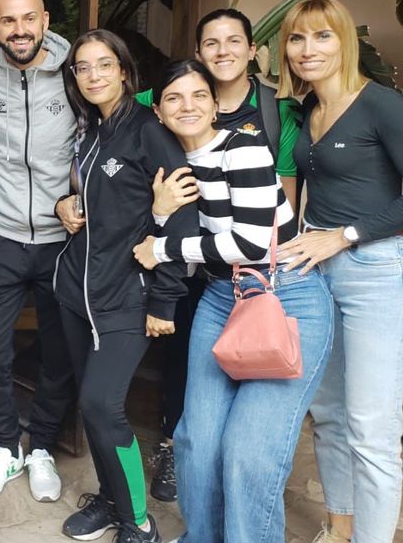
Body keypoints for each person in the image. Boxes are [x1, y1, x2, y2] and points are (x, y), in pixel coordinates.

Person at [132, 59, 332, 542]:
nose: (188, 106)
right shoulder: (170, 169)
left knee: (248, 451)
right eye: (174, 98)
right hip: (223, 298)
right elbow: (181, 247)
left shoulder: (242, 149)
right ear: (158, 111)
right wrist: (160, 214)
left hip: (286, 298)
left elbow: (245, 244)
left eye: (199, 95)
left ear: (214, 102)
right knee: (195, 440)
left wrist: (160, 247)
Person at [52, 29, 196, 543]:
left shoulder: (148, 130)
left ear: (123, 70)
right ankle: (112, 499)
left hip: (126, 296)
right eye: (82, 68)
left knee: (100, 404)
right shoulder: (91, 130)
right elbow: (88, 200)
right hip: (77, 292)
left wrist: (164, 298)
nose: (93, 76)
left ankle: (137, 519)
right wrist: (63, 206)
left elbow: (182, 216)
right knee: (92, 407)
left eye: (103, 65)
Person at [273, 0, 403, 543]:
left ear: (345, 40)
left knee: (372, 429)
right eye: (298, 39)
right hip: (317, 270)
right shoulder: (307, 111)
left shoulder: (383, 106)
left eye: (322, 37)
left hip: (373, 270)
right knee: (326, 413)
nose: (309, 50)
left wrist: (344, 237)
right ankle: (340, 527)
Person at [0, 0, 77, 503]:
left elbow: (96, 150)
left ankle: (44, 448)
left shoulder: (77, 74)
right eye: (8, 21)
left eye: (29, 19)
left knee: (60, 352)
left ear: (45, 18)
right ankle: (7, 446)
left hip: (63, 241)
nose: (20, 30)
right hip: (1, 234)